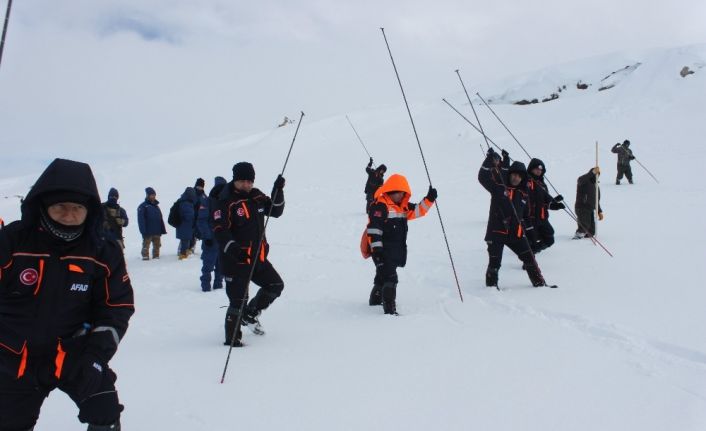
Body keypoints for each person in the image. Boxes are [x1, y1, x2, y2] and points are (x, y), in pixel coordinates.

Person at [0, 158, 134, 430]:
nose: (69, 214)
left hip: (74, 355)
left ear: (90, 211)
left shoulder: (103, 251)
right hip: (11, 360)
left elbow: (116, 307)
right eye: (59, 206)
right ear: (43, 206)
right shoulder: (11, 242)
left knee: (105, 411)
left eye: (77, 208)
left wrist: (96, 358)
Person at [213, 162, 286, 346]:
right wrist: (233, 249)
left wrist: (278, 190)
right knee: (238, 301)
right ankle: (232, 341)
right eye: (242, 181)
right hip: (235, 261)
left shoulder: (256, 196)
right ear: (235, 180)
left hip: (257, 259)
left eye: (249, 181)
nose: (246, 185)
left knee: (275, 285)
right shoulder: (225, 201)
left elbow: (276, 211)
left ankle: (250, 313)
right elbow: (220, 230)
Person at [365, 174, 437, 315]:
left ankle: (374, 301)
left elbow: (417, 211)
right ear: (391, 191)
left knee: (382, 276)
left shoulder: (402, 207)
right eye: (399, 193)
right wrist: (377, 251)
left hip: (394, 250)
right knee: (391, 278)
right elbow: (374, 229)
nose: (401, 196)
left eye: (403, 193)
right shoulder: (381, 205)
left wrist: (429, 199)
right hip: (382, 251)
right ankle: (389, 309)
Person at [478, 149, 546, 288]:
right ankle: (491, 289)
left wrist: (531, 233)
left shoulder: (523, 195)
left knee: (530, 259)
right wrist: (489, 160)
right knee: (495, 263)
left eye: (519, 176)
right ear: (509, 175)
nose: (516, 178)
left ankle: (540, 285)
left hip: (516, 234)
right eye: (514, 175)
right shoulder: (498, 188)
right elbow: (482, 177)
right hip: (496, 233)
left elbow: (526, 217)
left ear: (522, 179)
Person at [526, 158, 565, 253]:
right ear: (531, 169)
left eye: (541, 170)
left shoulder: (543, 185)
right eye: (536, 169)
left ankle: (533, 250)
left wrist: (555, 203)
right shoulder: (526, 181)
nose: (539, 171)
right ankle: (529, 261)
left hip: (542, 218)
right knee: (531, 239)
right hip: (530, 218)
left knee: (550, 238)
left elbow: (545, 202)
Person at [197, 176, 227, 292]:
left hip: (223, 240)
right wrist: (207, 236)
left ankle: (218, 286)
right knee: (208, 265)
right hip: (211, 240)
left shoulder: (226, 201)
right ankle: (205, 287)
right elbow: (201, 220)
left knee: (221, 265)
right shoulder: (207, 201)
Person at [137, 187, 166, 260]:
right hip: (148, 231)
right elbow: (141, 220)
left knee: (157, 246)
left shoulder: (156, 206)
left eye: (154, 195)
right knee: (146, 245)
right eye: (151, 195)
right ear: (147, 195)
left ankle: (156, 256)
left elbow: (160, 218)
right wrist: (143, 230)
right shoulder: (143, 206)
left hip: (157, 230)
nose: (153, 196)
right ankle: (145, 256)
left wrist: (162, 229)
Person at [573, 167, 603, 239]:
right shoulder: (584, 181)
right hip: (582, 207)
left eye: (598, 174)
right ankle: (577, 237)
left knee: (591, 231)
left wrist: (599, 211)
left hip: (590, 208)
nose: (596, 176)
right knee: (584, 225)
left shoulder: (596, 186)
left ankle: (586, 241)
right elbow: (580, 180)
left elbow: (596, 200)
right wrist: (592, 172)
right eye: (595, 174)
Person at [176, 187, 197, 260]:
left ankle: (185, 253)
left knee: (187, 240)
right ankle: (183, 255)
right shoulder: (185, 203)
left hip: (186, 226)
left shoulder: (186, 202)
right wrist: (193, 217)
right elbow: (188, 215)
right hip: (185, 226)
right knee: (185, 241)